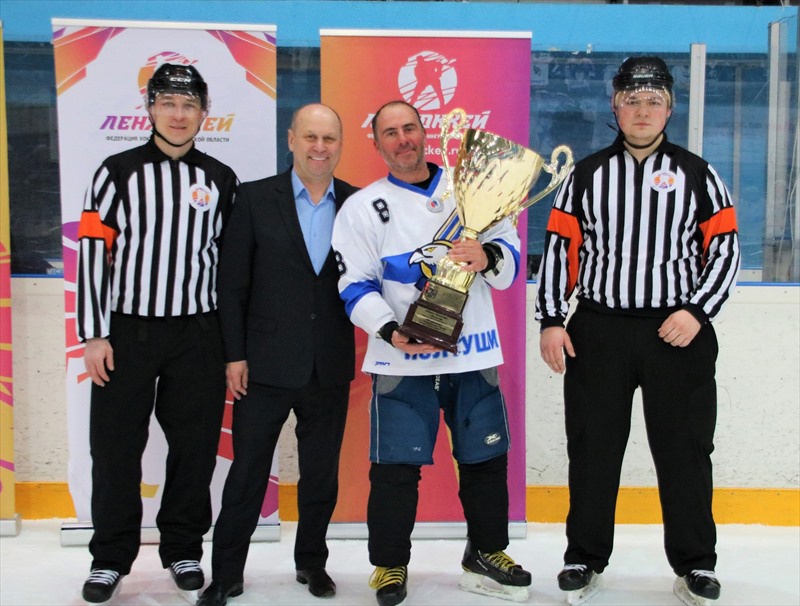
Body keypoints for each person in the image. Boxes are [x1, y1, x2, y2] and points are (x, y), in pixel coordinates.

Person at [535, 56, 740, 606]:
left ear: (669, 107)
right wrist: (553, 320)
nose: (643, 110)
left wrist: (697, 311)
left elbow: (724, 249)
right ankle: (583, 557)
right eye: (632, 100)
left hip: (677, 332)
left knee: (686, 450)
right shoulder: (585, 175)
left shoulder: (700, 174)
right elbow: (560, 251)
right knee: (593, 448)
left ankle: (696, 564)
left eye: (653, 101)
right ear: (615, 106)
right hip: (598, 330)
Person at [331, 100, 531, 606]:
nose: (403, 139)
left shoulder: (473, 188)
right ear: (376, 144)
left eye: (410, 128)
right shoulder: (362, 207)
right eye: (390, 133)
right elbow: (353, 285)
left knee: (486, 458)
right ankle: (390, 564)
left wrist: (486, 255)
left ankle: (486, 553)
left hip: (472, 354)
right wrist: (389, 328)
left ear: (426, 133)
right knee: (395, 468)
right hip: (402, 360)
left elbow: (509, 265)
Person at [75, 63, 237, 603]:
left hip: (197, 334)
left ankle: (183, 547)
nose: (178, 114)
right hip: (128, 332)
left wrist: (230, 345)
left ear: (203, 114)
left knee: (193, 448)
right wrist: (95, 335)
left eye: (189, 105)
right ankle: (110, 557)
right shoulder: (116, 171)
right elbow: (93, 251)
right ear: (149, 109)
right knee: (116, 447)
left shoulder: (220, 179)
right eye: (167, 103)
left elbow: (229, 268)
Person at [196, 103, 357, 606]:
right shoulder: (253, 197)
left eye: (329, 138)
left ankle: (312, 563)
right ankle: (225, 575)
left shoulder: (355, 203)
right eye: (310, 137)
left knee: (321, 477)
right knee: (246, 475)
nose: (319, 147)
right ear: (291, 139)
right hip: (261, 366)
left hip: (328, 365)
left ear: (340, 144)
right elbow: (231, 283)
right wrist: (234, 355)